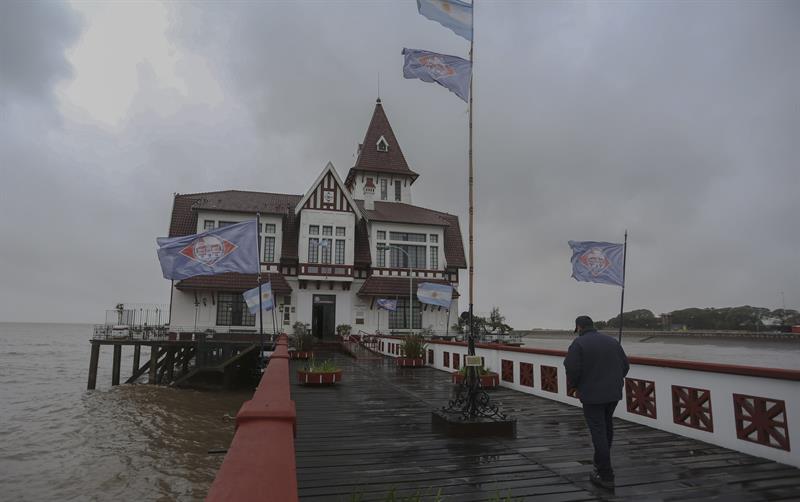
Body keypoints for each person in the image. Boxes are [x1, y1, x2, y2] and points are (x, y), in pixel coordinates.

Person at [564, 315, 629, 490]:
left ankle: (606, 474)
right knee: (607, 427)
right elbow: (625, 366)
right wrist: (613, 381)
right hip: (613, 393)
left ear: (578, 327)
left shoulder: (578, 344)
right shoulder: (612, 342)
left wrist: (574, 386)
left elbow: (572, 368)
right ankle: (600, 465)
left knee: (598, 431)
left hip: (592, 395)